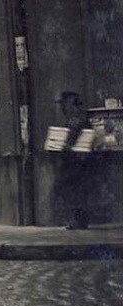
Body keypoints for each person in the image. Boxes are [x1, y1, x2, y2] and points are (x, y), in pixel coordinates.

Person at [52, 91, 103, 229]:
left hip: (76, 160)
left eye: (64, 104)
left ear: (70, 104)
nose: (62, 107)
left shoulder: (75, 118)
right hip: (79, 160)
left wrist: (63, 144)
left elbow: (72, 137)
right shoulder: (77, 117)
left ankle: (77, 221)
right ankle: (79, 221)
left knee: (72, 190)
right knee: (77, 190)